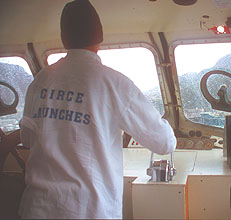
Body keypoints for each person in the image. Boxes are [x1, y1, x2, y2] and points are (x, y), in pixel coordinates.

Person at [18, 0, 176, 218]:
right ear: (100, 34)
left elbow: (26, 139)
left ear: (64, 37)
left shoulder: (41, 81)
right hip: (89, 211)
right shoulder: (116, 84)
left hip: (36, 209)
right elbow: (164, 142)